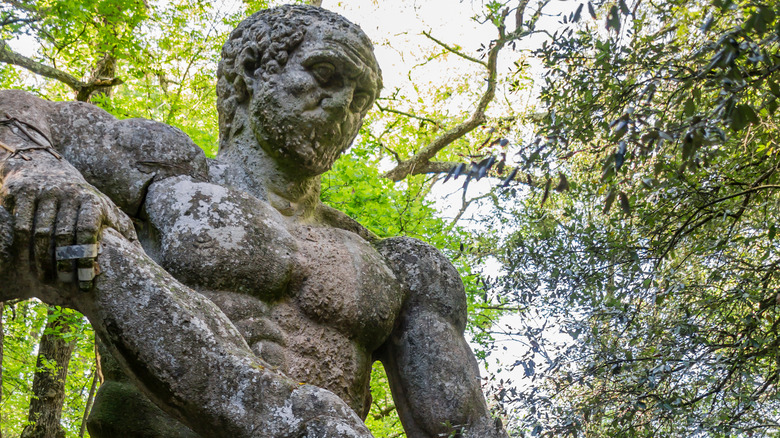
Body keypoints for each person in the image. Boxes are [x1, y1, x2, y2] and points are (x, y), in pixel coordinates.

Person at [0, 5, 507, 438]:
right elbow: (16, 111)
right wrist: (41, 171)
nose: (342, 107)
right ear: (249, 73)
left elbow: (462, 426)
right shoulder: (166, 168)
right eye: (325, 75)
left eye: (360, 100)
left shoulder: (399, 266)